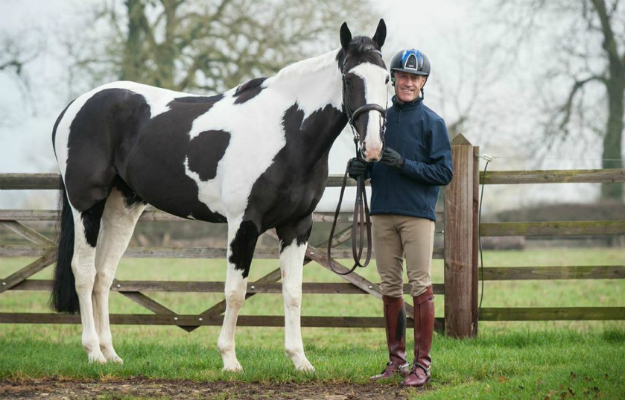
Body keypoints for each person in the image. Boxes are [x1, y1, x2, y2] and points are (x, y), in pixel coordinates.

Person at [348, 48, 453, 387]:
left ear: (423, 82)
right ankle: (397, 361)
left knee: (420, 284)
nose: (408, 83)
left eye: (414, 77)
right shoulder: (380, 117)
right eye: (402, 76)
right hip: (381, 212)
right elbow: (371, 156)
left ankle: (423, 364)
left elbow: (443, 171)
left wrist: (403, 164)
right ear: (393, 79)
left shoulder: (432, 123)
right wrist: (360, 169)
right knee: (390, 287)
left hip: (417, 216)